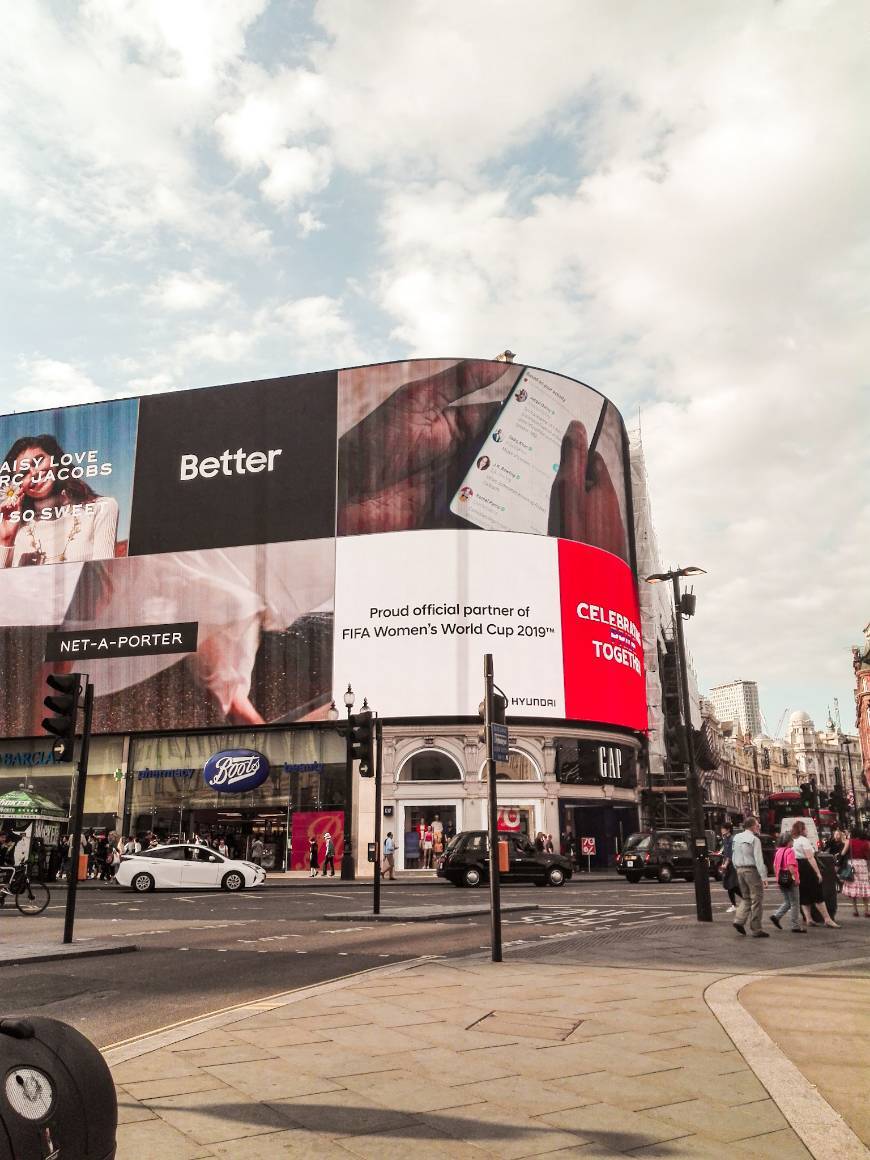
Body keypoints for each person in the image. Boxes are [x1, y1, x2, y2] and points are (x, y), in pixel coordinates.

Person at [0, 434, 119, 567]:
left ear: (54, 459)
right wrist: (6, 540)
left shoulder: (102, 508)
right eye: (23, 473)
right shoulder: (16, 529)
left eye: (38, 461)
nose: (34, 473)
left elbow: (104, 576)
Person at [792, 820, 840, 928]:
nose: (807, 830)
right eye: (806, 828)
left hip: (798, 867)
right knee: (817, 894)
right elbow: (810, 857)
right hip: (807, 867)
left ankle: (808, 918)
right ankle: (827, 919)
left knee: (804, 894)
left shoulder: (794, 841)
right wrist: (818, 873)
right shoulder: (804, 840)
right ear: (802, 830)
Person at [731, 817, 769, 937]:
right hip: (751, 870)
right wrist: (764, 877)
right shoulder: (754, 839)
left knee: (746, 897)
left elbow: (733, 855)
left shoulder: (736, 838)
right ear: (752, 826)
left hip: (739, 869)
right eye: (758, 825)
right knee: (757, 898)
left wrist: (736, 868)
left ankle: (738, 920)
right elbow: (758, 859)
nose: (758, 827)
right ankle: (756, 928)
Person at [770, 834, 804, 933]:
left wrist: (777, 877)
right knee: (795, 903)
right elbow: (791, 866)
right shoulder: (790, 851)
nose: (793, 842)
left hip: (781, 880)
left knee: (788, 901)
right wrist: (796, 878)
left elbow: (774, 865)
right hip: (790, 880)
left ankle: (776, 916)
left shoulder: (778, 851)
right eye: (792, 841)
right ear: (789, 842)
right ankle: (795, 925)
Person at [840, 828, 870, 918]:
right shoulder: (866, 842)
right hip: (863, 865)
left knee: (853, 887)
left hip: (852, 865)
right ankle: (867, 910)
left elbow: (843, 853)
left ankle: (855, 910)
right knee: (864, 887)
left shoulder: (850, 841)